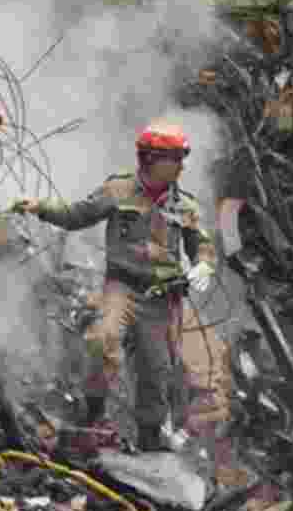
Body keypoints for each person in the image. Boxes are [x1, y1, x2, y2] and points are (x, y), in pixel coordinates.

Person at [13, 121, 216, 451]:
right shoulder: (119, 190)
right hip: (121, 287)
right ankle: (92, 416)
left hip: (161, 300)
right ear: (151, 159)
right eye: (175, 157)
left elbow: (201, 245)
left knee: (156, 369)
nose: (182, 165)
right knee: (101, 340)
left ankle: (149, 440)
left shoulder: (186, 206)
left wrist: (204, 263)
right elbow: (78, 215)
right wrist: (40, 208)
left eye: (183, 157)